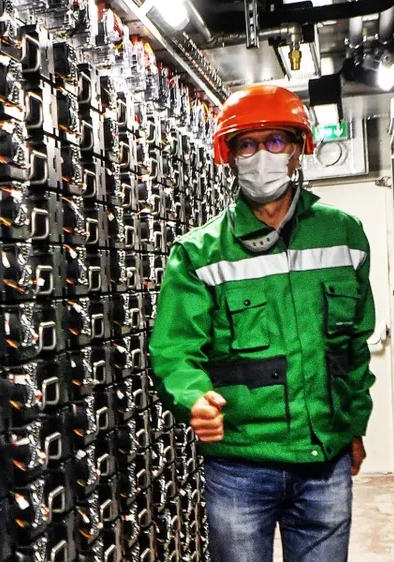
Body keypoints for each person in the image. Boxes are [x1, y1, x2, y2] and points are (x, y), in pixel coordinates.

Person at [148, 85, 377, 562]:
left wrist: (354, 427)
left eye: (274, 141)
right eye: (246, 145)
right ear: (229, 156)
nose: (261, 157)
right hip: (241, 465)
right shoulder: (198, 253)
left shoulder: (343, 234)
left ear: (297, 149)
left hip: (324, 461)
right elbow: (174, 350)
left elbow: (354, 348)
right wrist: (193, 398)